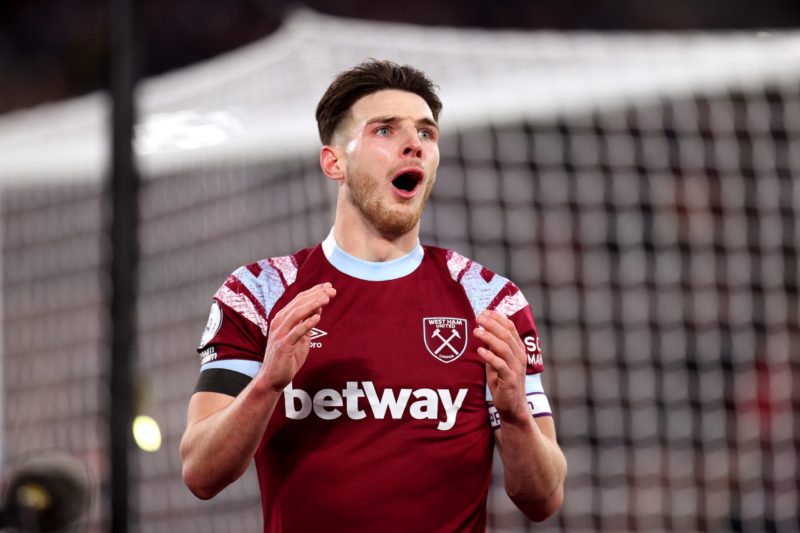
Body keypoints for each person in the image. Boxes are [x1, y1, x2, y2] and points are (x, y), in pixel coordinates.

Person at [180, 60, 566, 532]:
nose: (414, 145)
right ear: (334, 162)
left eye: (427, 133)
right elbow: (200, 473)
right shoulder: (259, 293)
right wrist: (267, 385)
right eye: (385, 130)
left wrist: (515, 415)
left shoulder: (490, 300)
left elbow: (543, 499)